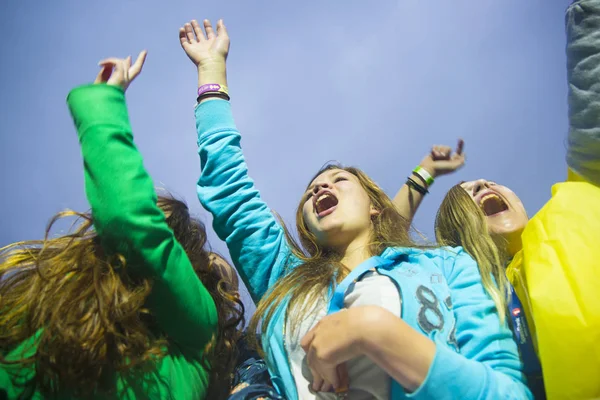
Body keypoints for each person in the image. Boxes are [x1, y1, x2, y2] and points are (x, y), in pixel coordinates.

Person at [180, 18, 531, 399]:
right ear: (307, 227)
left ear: (376, 207)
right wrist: (211, 71)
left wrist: (377, 333)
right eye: (310, 191)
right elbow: (231, 190)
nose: (321, 188)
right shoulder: (284, 280)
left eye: (340, 180)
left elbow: (509, 391)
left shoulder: (448, 265)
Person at [0, 53, 243, 399]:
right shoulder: (73, 316)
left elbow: (132, 222)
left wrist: (104, 107)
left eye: (213, 277)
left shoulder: (200, 329)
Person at [434, 1, 600, 398]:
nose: (486, 187)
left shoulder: (576, 203)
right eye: (470, 192)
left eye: (491, 182)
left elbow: (591, 104)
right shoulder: (461, 309)